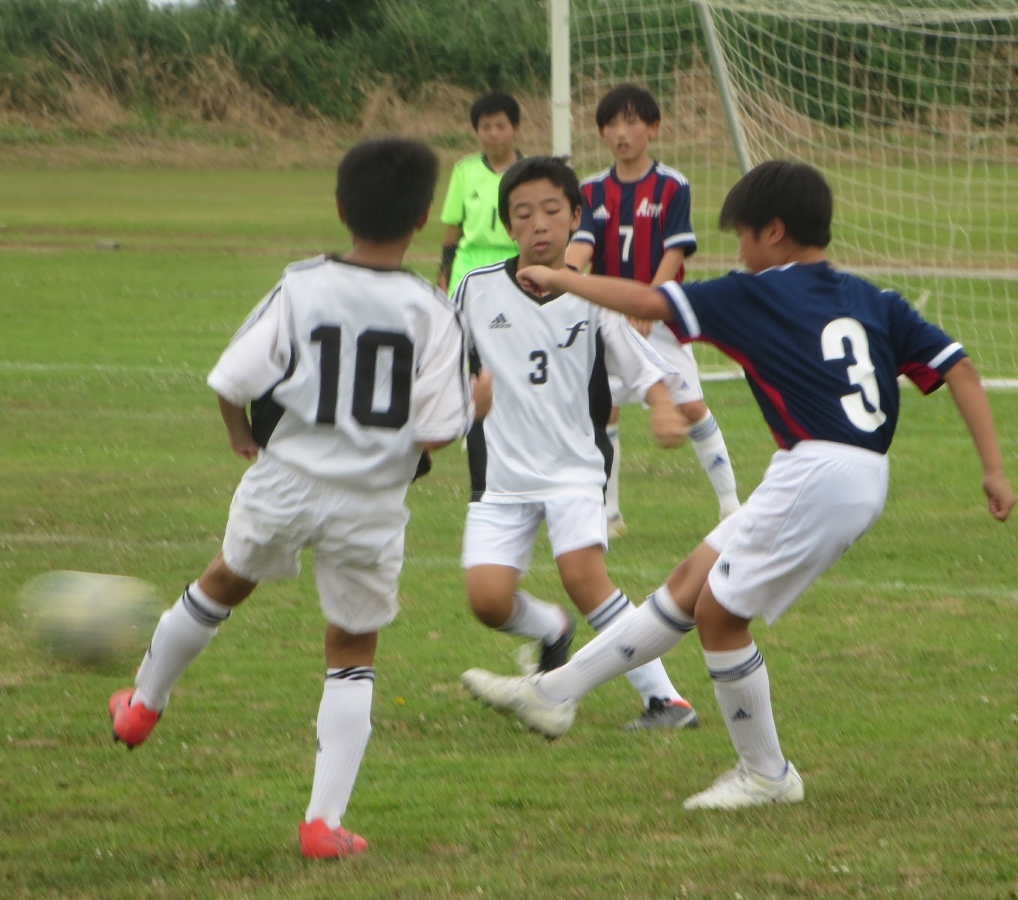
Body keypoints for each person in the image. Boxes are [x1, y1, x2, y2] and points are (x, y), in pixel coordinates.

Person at [462, 159, 1017, 810]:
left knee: (719, 615)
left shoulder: (756, 292)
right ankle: (553, 693)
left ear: (773, 232)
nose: (739, 254)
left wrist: (562, 279)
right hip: (843, 470)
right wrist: (993, 469)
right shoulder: (875, 299)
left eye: (743, 238)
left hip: (820, 470)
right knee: (689, 584)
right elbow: (960, 369)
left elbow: (648, 303)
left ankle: (766, 774)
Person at [107, 137, 490, 859]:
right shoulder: (433, 311)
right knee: (352, 648)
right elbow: (440, 430)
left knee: (222, 583)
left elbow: (231, 379)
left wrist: (239, 437)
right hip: (371, 501)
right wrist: (476, 405)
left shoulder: (301, 286)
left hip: (285, 479)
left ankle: (142, 706)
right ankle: (322, 823)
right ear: (422, 220)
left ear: (341, 208)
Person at [454, 155, 701, 731]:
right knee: (487, 600)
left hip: (574, 469)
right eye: (522, 214)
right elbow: (440, 361)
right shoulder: (475, 289)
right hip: (501, 475)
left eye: (551, 210)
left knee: (584, 577)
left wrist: (663, 407)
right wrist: (462, 400)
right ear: (507, 226)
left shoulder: (593, 296)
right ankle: (552, 630)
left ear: (574, 218)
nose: (538, 224)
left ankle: (666, 700)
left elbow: (642, 366)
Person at [565, 83, 739, 537]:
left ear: (653, 128)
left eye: (631, 122)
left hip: (660, 314)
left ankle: (731, 507)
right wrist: (564, 274)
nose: (621, 133)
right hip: (608, 317)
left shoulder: (671, 185)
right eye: (611, 125)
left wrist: (650, 299)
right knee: (605, 410)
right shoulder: (591, 189)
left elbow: (675, 250)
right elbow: (583, 243)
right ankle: (609, 515)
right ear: (602, 133)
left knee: (692, 406)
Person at [438, 91, 524, 295]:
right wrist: (444, 271)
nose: (493, 134)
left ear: (515, 128)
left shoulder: (530, 171)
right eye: (486, 127)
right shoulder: (464, 170)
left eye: (500, 126)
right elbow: (453, 229)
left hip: (515, 263)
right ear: (476, 131)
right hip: (468, 265)